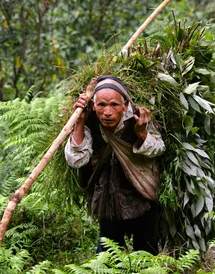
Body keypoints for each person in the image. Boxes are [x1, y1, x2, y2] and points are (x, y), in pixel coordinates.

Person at [64, 75, 165, 254]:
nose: (108, 112)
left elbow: (159, 149)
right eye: (101, 105)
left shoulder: (138, 116)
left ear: (125, 105)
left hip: (140, 193)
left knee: (146, 251)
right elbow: (76, 160)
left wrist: (142, 134)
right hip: (107, 198)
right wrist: (79, 122)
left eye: (114, 105)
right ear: (94, 106)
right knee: (108, 255)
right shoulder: (89, 121)